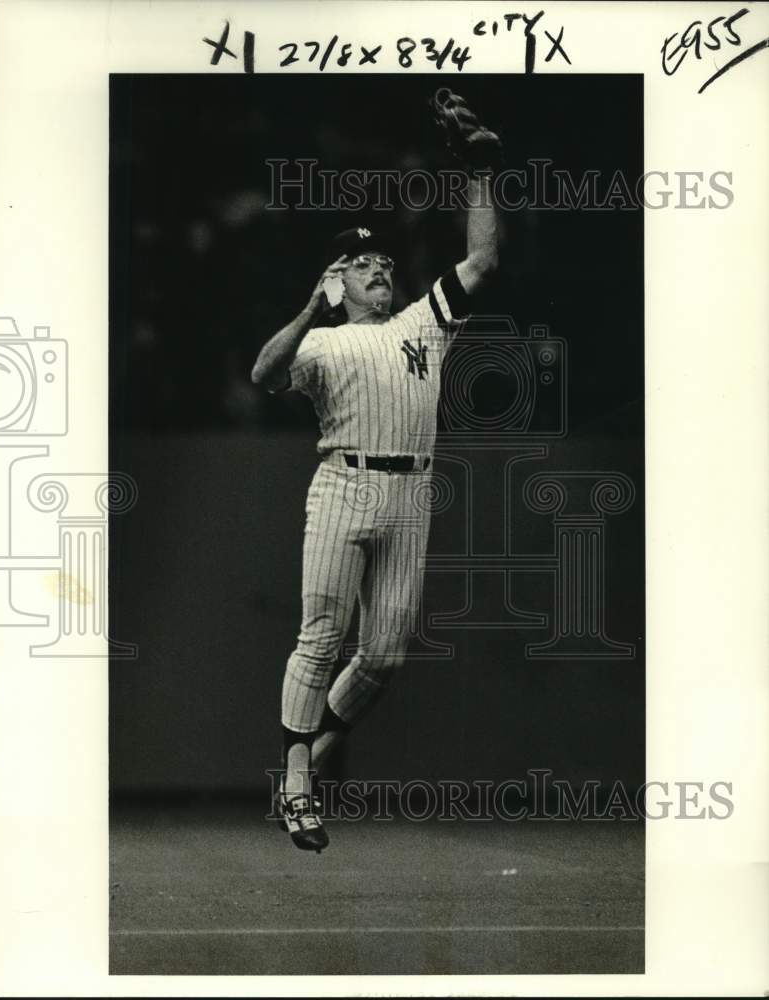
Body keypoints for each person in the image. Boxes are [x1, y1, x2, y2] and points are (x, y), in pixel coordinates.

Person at [251, 173, 498, 852]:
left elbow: (481, 261)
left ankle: (301, 764)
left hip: (410, 491)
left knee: (385, 655)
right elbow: (265, 376)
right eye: (361, 264)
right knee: (320, 636)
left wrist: (478, 172)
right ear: (337, 281)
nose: (379, 268)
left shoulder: (422, 320)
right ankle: (299, 785)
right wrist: (309, 308)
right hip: (343, 482)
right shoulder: (322, 342)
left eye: (384, 261)